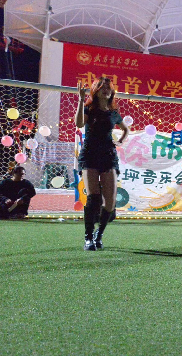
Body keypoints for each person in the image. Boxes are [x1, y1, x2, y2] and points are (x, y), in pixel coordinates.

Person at [75, 77, 129, 251]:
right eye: (102, 87)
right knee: (94, 197)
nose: (106, 89)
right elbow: (79, 123)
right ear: (95, 90)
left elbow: (125, 129)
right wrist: (81, 100)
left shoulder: (113, 112)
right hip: (90, 155)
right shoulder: (89, 108)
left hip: (108, 156)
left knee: (110, 202)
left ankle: (99, 235)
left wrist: (120, 141)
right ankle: (88, 237)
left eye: (108, 87)